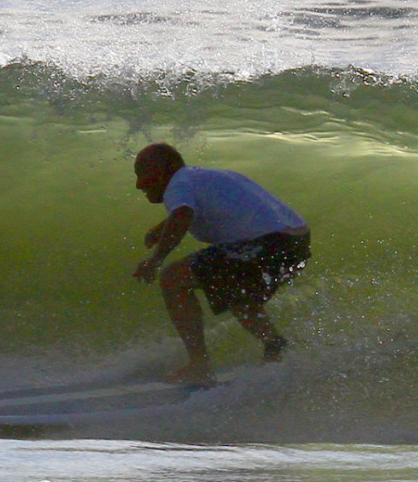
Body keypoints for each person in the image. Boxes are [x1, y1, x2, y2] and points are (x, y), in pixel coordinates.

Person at [131, 142, 310, 386]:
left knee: (173, 279)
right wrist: (163, 228)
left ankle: (199, 367)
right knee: (235, 293)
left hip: (267, 242)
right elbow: (194, 209)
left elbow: (183, 214)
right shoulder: (202, 177)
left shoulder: (178, 182)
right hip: (294, 240)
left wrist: (155, 260)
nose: (139, 183)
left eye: (143, 172)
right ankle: (275, 348)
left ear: (167, 168)